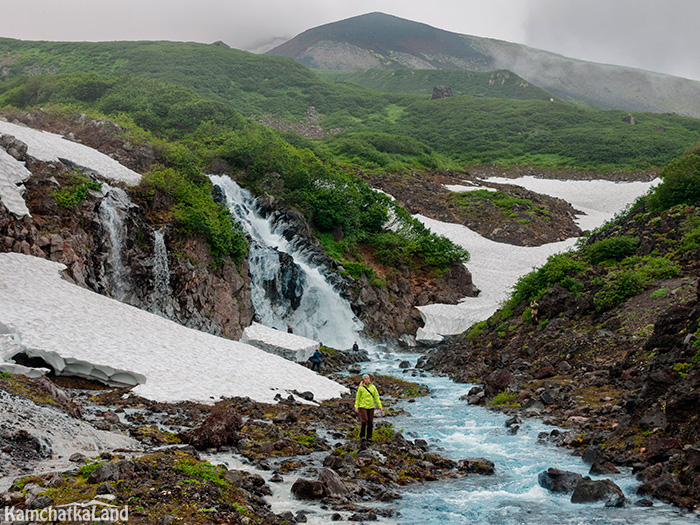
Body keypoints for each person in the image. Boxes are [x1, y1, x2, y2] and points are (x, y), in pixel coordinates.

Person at [354, 374, 383, 441]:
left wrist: (380, 406)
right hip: (362, 406)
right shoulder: (361, 388)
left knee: (370, 422)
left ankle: (369, 437)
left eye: (368, 378)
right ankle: (362, 435)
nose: (367, 380)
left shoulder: (373, 387)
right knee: (364, 421)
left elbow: (376, 397)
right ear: (363, 380)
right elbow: (357, 398)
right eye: (366, 379)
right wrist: (356, 407)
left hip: (371, 406)